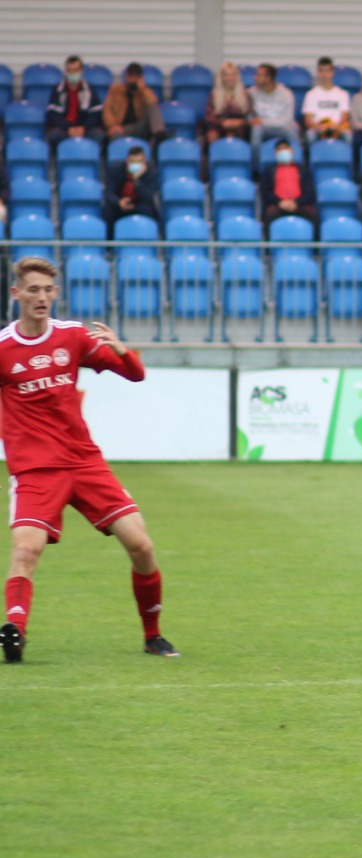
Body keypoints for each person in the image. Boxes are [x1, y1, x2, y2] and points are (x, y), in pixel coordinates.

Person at [0, 257, 179, 663]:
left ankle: (153, 636)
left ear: (55, 293)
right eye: (33, 290)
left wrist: (122, 351)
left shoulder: (73, 336)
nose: (41, 297)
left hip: (84, 462)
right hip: (35, 471)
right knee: (26, 551)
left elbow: (135, 374)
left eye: (47, 290)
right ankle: (15, 633)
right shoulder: (4, 348)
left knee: (141, 545)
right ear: (16, 294)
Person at [44, 55, 104, 146]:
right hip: (64, 128)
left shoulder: (89, 89)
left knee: (98, 135)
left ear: (81, 70)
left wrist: (84, 128)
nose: (72, 74)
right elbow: (53, 114)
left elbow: (96, 113)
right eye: (69, 70)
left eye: (75, 70)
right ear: (65, 71)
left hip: (85, 128)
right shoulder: (58, 89)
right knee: (54, 135)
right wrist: (68, 128)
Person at [258, 139, 317, 226]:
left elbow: (310, 192)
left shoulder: (303, 170)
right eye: (280, 149)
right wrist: (280, 202)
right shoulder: (269, 171)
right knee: (270, 213)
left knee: (312, 213)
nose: (283, 151)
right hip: (278, 205)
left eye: (285, 148)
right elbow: (265, 191)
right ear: (275, 153)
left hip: (299, 205)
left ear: (292, 151)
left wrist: (296, 202)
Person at [102, 63, 165, 142]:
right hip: (121, 127)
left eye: (136, 76)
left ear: (140, 78)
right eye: (131, 76)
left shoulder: (144, 91)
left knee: (153, 107)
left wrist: (142, 89)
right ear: (126, 76)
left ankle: (159, 136)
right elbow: (107, 110)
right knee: (115, 134)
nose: (133, 80)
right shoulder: (116, 90)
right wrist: (113, 126)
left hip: (139, 127)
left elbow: (152, 103)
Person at [103, 146, 159, 226]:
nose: (136, 165)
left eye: (139, 162)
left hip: (139, 204)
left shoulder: (151, 172)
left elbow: (148, 197)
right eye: (133, 161)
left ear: (144, 161)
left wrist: (137, 180)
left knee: (148, 210)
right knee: (108, 210)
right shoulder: (116, 169)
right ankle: (110, 234)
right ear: (127, 160)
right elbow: (108, 193)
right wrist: (119, 202)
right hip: (120, 203)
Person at [301, 57, 351, 144]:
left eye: (327, 71)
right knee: (310, 134)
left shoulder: (342, 94)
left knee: (348, 135)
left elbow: (345, 116)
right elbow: (308, 119)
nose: (325, 75)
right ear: (318, 73)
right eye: (322, 71)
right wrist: (318, 127)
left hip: (337, 127)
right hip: (318, 128)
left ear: (332, 73)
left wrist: (335, 126)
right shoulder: (311, 94)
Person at [249, 63, 299, 147]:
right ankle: (255, 156)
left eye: (259, 75)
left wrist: (263, 121)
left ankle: (296, 154)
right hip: (264, 128)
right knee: (256, 129)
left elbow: (287, 120)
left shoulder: (286, 94)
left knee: (292, 129)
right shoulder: (251, 92)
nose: (255, 77)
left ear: (268, 78)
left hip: (283, 128)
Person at [200, 61, 251, 144]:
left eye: (233, 74)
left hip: (239, 127)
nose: (230, 78)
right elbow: (209, 117)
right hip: (219, 126)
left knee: (232, 135)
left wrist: (240, 122)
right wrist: (223, 122)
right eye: (226, 75)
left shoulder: (245, 95)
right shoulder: (214, 95)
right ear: (221, 77)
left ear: (237, 76)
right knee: (212, 135)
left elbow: (250, 115)